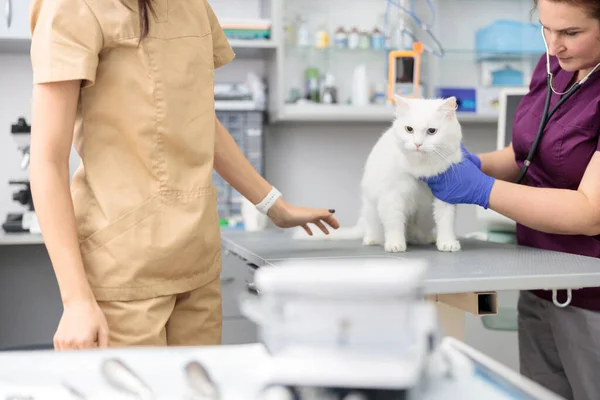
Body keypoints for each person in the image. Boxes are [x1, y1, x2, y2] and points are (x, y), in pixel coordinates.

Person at [28, 0, 339, 350]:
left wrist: (274, 205)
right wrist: (76, 300)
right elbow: (47, 159)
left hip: (198, 263)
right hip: (124, 272)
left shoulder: (192, 6)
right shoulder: (73, 8)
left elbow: (202, 121)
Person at [422, 0, 600, 398]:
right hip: (540, 283)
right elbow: (526, 153)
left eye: (571, 33)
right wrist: (467, 165)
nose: (554, 46)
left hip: (593, 295)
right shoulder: (555, 66)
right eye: (545, 29)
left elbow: (592, 212)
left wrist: (480, 190)